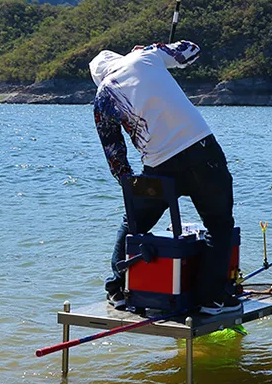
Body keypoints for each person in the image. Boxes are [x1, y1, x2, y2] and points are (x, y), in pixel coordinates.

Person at [89, 39, 242, 315]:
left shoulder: (103, 96)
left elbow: (115, 153)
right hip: (203, 152)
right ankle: (212, 299)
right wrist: (153, 48)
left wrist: (132, 185)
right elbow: (191, 50)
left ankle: (118, 289)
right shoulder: (145, 57)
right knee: (219, 225)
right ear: (118, 58)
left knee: (134, 224)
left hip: (158, 164)